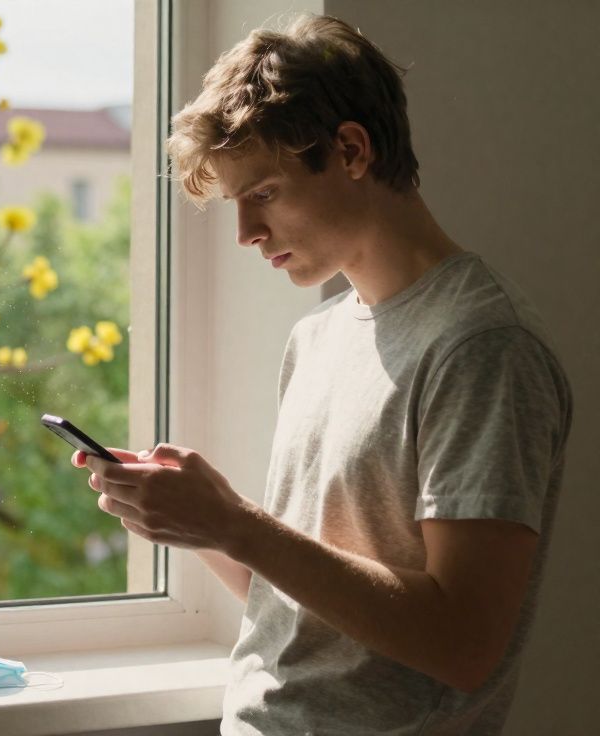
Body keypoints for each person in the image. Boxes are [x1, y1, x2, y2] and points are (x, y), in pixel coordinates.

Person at [72, 14, 573, 735]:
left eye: (265, 193)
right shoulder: (318, 337)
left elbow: (464, 645)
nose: (245, 232)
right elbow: (307, 615)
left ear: (351, 150)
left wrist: (235, 523)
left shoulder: (483, 346)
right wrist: (201, 524)